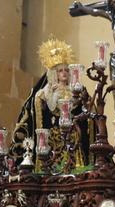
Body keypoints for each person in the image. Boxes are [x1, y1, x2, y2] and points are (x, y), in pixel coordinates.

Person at [34, 38, 89, 172]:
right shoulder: (49, 90)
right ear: (55, 74)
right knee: (56, 138)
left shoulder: (74, 89)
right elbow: (52, 107)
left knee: (76, 135)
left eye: (66, 70)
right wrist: (55, 93)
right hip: (56, 130)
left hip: (72, 129)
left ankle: (76, 169)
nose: (64, 73)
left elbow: (78, 109)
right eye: (60, 71)